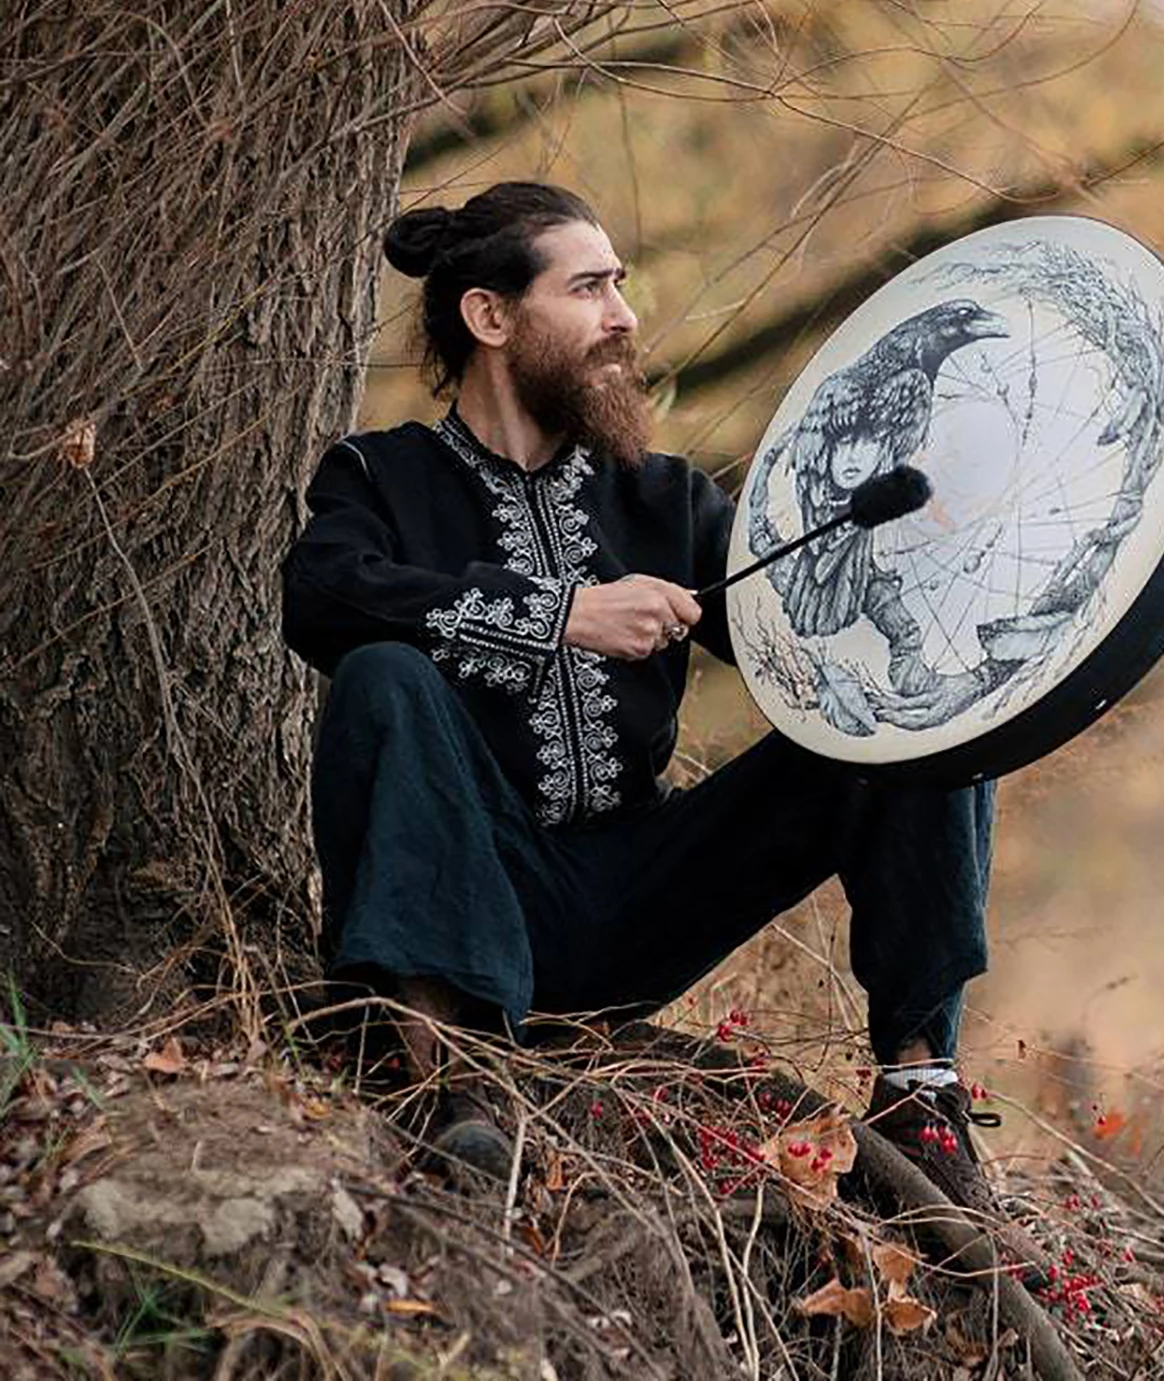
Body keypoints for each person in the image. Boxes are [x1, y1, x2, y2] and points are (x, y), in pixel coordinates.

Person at [280, 181, 999, 1204]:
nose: (622, 316)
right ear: (490, 316)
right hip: (479, 891)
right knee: (382, 672)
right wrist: (562, 612)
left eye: (619, 284)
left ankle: (917, 1094)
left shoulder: (664, 495)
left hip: (642, 890)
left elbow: (807, 658)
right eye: (587, 288)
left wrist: (926, 611)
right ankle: (449, 1079)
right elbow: (321, 594)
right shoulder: (378, 476)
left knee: (904, 724)